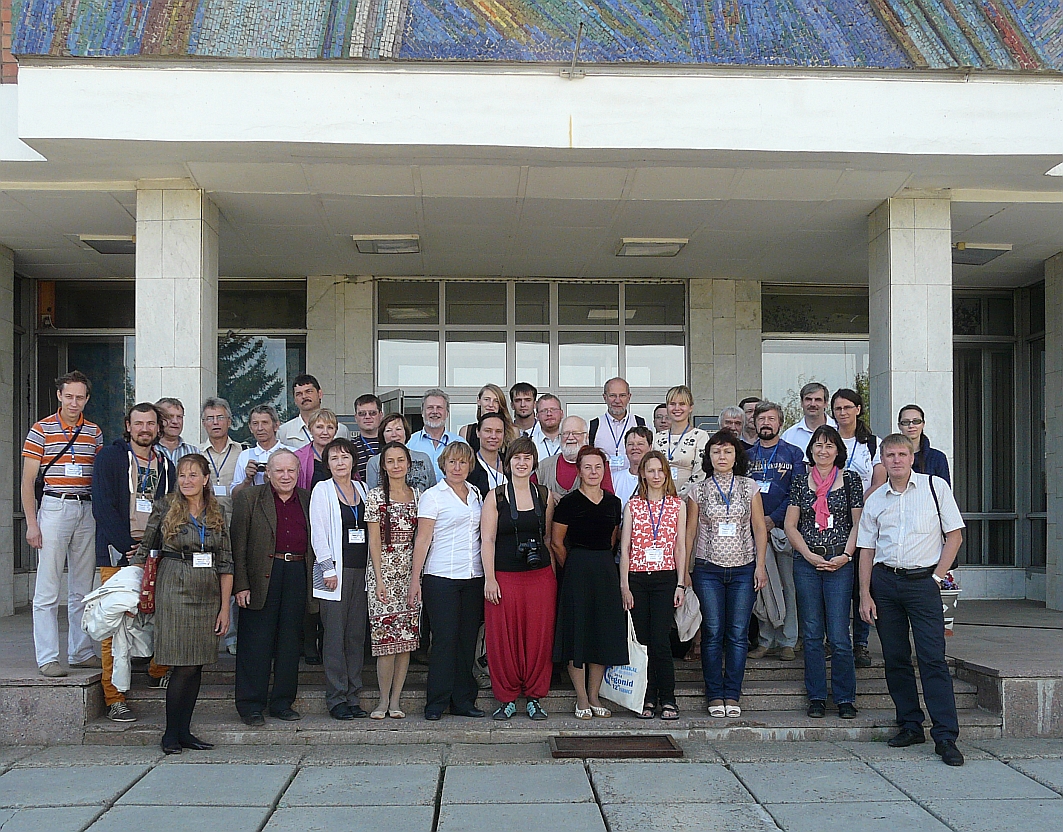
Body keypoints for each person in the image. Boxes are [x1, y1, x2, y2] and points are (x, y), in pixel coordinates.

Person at [858, 433, 965, 767]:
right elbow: (867, 548)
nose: (896, 460)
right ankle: (910, 724)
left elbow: (955, 536)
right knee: (895, 658)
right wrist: (865, 594)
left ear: (911, 456)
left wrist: (936, 577)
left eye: (902, 454)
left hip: (924, 583)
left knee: (932, 658)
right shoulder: (876, 499)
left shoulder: (935, 487)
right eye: (889, 455)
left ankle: (945, 736)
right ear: (883, 459)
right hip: (886, 584)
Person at [134, 454, 232, 754]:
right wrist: (131, 585)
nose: (187, 480)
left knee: (197, 663)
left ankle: (185, 731)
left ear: (206, 479)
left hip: (207, 589)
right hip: (174, 584)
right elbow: (146, 546)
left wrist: (225, 608)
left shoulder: (219, 510)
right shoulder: (165, 506)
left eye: (193, 475)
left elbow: (226, 561)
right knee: (181, 665)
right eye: (182, 475)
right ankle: (170, 734)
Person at [92, 402, 176, 721]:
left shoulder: (166, 465)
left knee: (163, 615)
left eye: (151, 424)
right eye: (138, 423)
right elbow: (102, 507)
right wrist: (128, 546)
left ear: (159, 427)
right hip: (118, 552)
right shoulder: (109, 458)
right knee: (115, 625)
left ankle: (158, 670)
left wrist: (152, 547)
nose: (145, 429)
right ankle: (114, 697)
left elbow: (171, 511)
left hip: (156, 553)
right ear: (128, 426)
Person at [22, 371, 103, 677]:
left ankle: (80, 651)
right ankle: (47, 657)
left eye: (80, 397)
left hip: (86, 507)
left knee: (83, 587)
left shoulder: (94, 432)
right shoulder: (41, 429)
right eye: (68, 396)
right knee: (47, 589)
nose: (74, 402)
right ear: (59, 395)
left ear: (87, 399)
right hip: (55, 506)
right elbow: (28, 482)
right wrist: (32, 523)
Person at [685, 431, 768, 718]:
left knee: (737, 633)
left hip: (744, 568)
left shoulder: (750, 487)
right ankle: (713, 693)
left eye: (728, 452)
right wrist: (685, 571)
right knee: (712, 631)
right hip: (708, 569)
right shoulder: (698, 490)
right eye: (716, 452)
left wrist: (760, 565)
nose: (722, 457)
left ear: (736, 456)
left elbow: (759, 528)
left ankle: (732, 693)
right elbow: (690, 532)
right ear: (708, 457)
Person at [231, 450, 315, 726]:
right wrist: (240, 585)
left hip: (296, 574)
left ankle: (282, 702)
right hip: (260, 577)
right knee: (256, 642)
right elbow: (238, 545)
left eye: (291, 470)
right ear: (268, 473)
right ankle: (251, 705)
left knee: (290, 642)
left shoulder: (307, 499)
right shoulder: (249, 499)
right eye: (279, 471)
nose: (286, 476)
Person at [784, 425, 863, 720]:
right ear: (811, 450)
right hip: (807, 563)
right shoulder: (800, 481)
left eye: (829, 445)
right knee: (813, 633)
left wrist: (845, 555)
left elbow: (858, 524)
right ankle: (816, 696)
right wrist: (807, 554)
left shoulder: (851, 480)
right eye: (818, 445)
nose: (823, 450)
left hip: (840, 563)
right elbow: (791, 525)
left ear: (837, 450)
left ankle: (844, 697)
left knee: (840, 635)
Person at [481, 436, 557, 721]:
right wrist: (490, 578)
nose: (522, 463)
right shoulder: (496, 496)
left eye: (527, 458)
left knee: (538, 638)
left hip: (539, 578)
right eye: (516, 458)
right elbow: (487, 539)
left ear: (534, 462)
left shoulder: (545, 495)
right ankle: (507, 697)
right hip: (504, 577)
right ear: (508, 463)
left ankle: (536, 697)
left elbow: (547, 538)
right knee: (503, 639)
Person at [408, 442, 486, 720]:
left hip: (473, 576)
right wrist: (415, 579)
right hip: (440, 577)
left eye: (462, 463)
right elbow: (423, 538)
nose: (457, 468)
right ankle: (436, 702)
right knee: (444, 640)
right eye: (452, 462)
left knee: (466, 641)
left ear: (469, 466)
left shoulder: (476, 494)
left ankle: (463, 700)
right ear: (443, 465)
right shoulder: (433, 496)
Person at [552, 446, 626, 719]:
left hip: (605, 569)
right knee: (578, 633)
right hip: (577, 569)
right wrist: (573, 566)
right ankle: (581, 698)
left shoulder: (613, 502)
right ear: (579, 470)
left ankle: (595, 696)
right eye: (587, 467)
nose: (593, 472)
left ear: (604, 469)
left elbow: (613, 538)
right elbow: (557, 543)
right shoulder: (569, 503)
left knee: (600, 633)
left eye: (598, 467)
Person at [620, 450, 688, 721]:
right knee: (643, 641)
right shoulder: (633, 505)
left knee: (661, 641)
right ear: (643, 474)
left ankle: (668, 697)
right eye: (651, 470)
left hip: (665, 578)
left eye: (660, 470)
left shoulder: (677, 505)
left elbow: (680, 547)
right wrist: (624, 585)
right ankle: (646, 697)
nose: (656, 475)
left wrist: (681, 583)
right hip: (637, 577)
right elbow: (625, 547)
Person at [309, 437, 370, 720]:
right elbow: (318, 533)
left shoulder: (362, 488)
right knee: (334, 636)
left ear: (353, 461)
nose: (340, 463)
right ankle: (336, 699)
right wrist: (327, 569)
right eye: (334, 458)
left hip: (361, 571)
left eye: (345, 457)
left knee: (356, 636)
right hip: (334, 573)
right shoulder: (322, 490)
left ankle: (353, 695)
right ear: (327, 464)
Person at [365, 441, 422, 719]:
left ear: (408, 464)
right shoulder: (375, 496)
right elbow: (373, 541)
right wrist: (378, 579)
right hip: (384, 574)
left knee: (405, 640)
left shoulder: (418, 496)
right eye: (391, 461)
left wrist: (417, 578)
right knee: (386, 640)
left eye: (401, 460)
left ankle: (397, 700)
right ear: (383, 466)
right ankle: (382, 699)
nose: (396, 466)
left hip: (411, 576)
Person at [746, 401, 805, 662]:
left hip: (784, 530)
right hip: (752, 531)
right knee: (761, 585)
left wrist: (774, 519)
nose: (766, 423)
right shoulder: (746, 456)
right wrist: (759, 522)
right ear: (755, 423)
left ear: (780, 423)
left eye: (771, 418)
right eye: (761, 419)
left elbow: (798, 491)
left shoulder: (793, 453)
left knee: (787, 585)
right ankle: (765, 640)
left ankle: (788, 640)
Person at [831, 388, 879, 668]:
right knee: (836, 583)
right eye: (838, 408)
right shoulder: (828, 439)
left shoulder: (872, 443)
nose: (843, 413)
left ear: (858, 409)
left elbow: (878, 481)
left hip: (864, 520)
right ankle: (834, 639)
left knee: (863, 584)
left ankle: (860, 643)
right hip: (830, 523)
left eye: (848, 407)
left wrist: (854, 504)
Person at [198, 396, 243, 656]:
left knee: (234, 580)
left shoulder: (242, 451)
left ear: (229, 420)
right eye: (210, 419)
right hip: (206, 527)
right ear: (204, 423)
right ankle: (208, 635)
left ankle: (233, 636)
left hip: (235, 525)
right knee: (207, 580)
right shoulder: (197, 453)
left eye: (220, 417)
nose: (215, 423)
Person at [869, 404, 951, 492]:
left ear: (923, 424)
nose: (911, 426)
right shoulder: (889, 457)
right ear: (899, 426)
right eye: (905, 422)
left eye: (916, 421)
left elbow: (945, 493)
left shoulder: (937, 458)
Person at [536, 415, 614, 499]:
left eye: (576, 433)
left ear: (586, 437)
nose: (570, 437)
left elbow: (608, 499)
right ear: (559, 437)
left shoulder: (599, 464)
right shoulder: (543, 467)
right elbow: (528, 491)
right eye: (565, 433)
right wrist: (547, 495)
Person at [653, 384, 710, 496]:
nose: (677, 408)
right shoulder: (657, 437)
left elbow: (700, 472)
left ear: (690, 408)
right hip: (660, 498)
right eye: (672, 404)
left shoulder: (700, 436)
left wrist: (678, 497)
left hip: (690, 498)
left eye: (682, 404)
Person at [365, 412, 437, 493]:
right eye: (388, 430)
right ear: (382, 435)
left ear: (406, 432)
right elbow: (372, 493)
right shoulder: (374, 462)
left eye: (398, 429)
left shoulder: (423, 458)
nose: (394, 434)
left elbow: (433, 490)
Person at [230, 405, 292, 496]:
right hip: (253, 508)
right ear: (250, 428)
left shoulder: (291, 453)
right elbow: (234, 496)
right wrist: (247, 480)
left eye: (265, 422)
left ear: (276, 426)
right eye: (255, 423)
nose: (260, 428)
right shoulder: (245, 456)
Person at [408, 388, 466, 484]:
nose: (435, 412)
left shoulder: (460, 443)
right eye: (430, 407)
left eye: (439, 408)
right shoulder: (410, 442)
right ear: (422, 412)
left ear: (447, 413)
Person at [277, 374, 350, 448]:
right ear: (294, 400)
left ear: (320, 394)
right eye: (299, 394)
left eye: (308, 391)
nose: (304, 396)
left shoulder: (341, 430)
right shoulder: (284, 431)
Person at [590, 377, 646, 473]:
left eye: (622, 395)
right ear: (605, 397)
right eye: (612, 395)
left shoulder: (641, 424)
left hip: (634, 481)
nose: (617, 400)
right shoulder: (593, 427)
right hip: (603, 483)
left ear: (629, 397)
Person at [780, 382, 836, 459]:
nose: (813, 404)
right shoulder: (789, 436)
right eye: (808, 399)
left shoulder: (838, 430)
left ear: (826, 403)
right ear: (801, 403)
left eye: (818, 400)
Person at [459, 383, 518, 452]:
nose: (491, 405)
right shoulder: (466, 431)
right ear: (479, 401)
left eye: (496, 401)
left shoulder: (512, 431)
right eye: (487, 399)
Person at [295, 408, 340, 492]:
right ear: (311, 429)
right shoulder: (298, 457)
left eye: (330, 427)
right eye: (319, 427)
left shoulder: (345, 455)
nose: (325, 432)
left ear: (335, 431)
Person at [612, 426, 653, 512]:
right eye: (630, 444)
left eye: (640, 444)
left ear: (650, 447)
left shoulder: (657, 478)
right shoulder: (614, 478)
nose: (635, 448)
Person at [467, 412, 508, 497]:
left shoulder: (510, 463)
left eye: (498, 431)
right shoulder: (468, 466)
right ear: (478, 432)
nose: (493, 436)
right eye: (488, 431)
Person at [154, 398, 199, 465]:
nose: (175, 421)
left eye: (179, 417)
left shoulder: (194, 452)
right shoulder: (149, 449)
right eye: (170, 416)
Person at [352, 394, 383, 482]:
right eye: (362, 414)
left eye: (372, 413)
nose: (367, 417)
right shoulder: (350, 448)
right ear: (356, 417)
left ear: (380, 415)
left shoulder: (390, 444)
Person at [530, 394, 564, 460]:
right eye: (544, 410)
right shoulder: (531, 442)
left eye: (553, 409)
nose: (549, 414)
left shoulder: (571, 441)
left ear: (561, 413)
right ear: (537, 416)